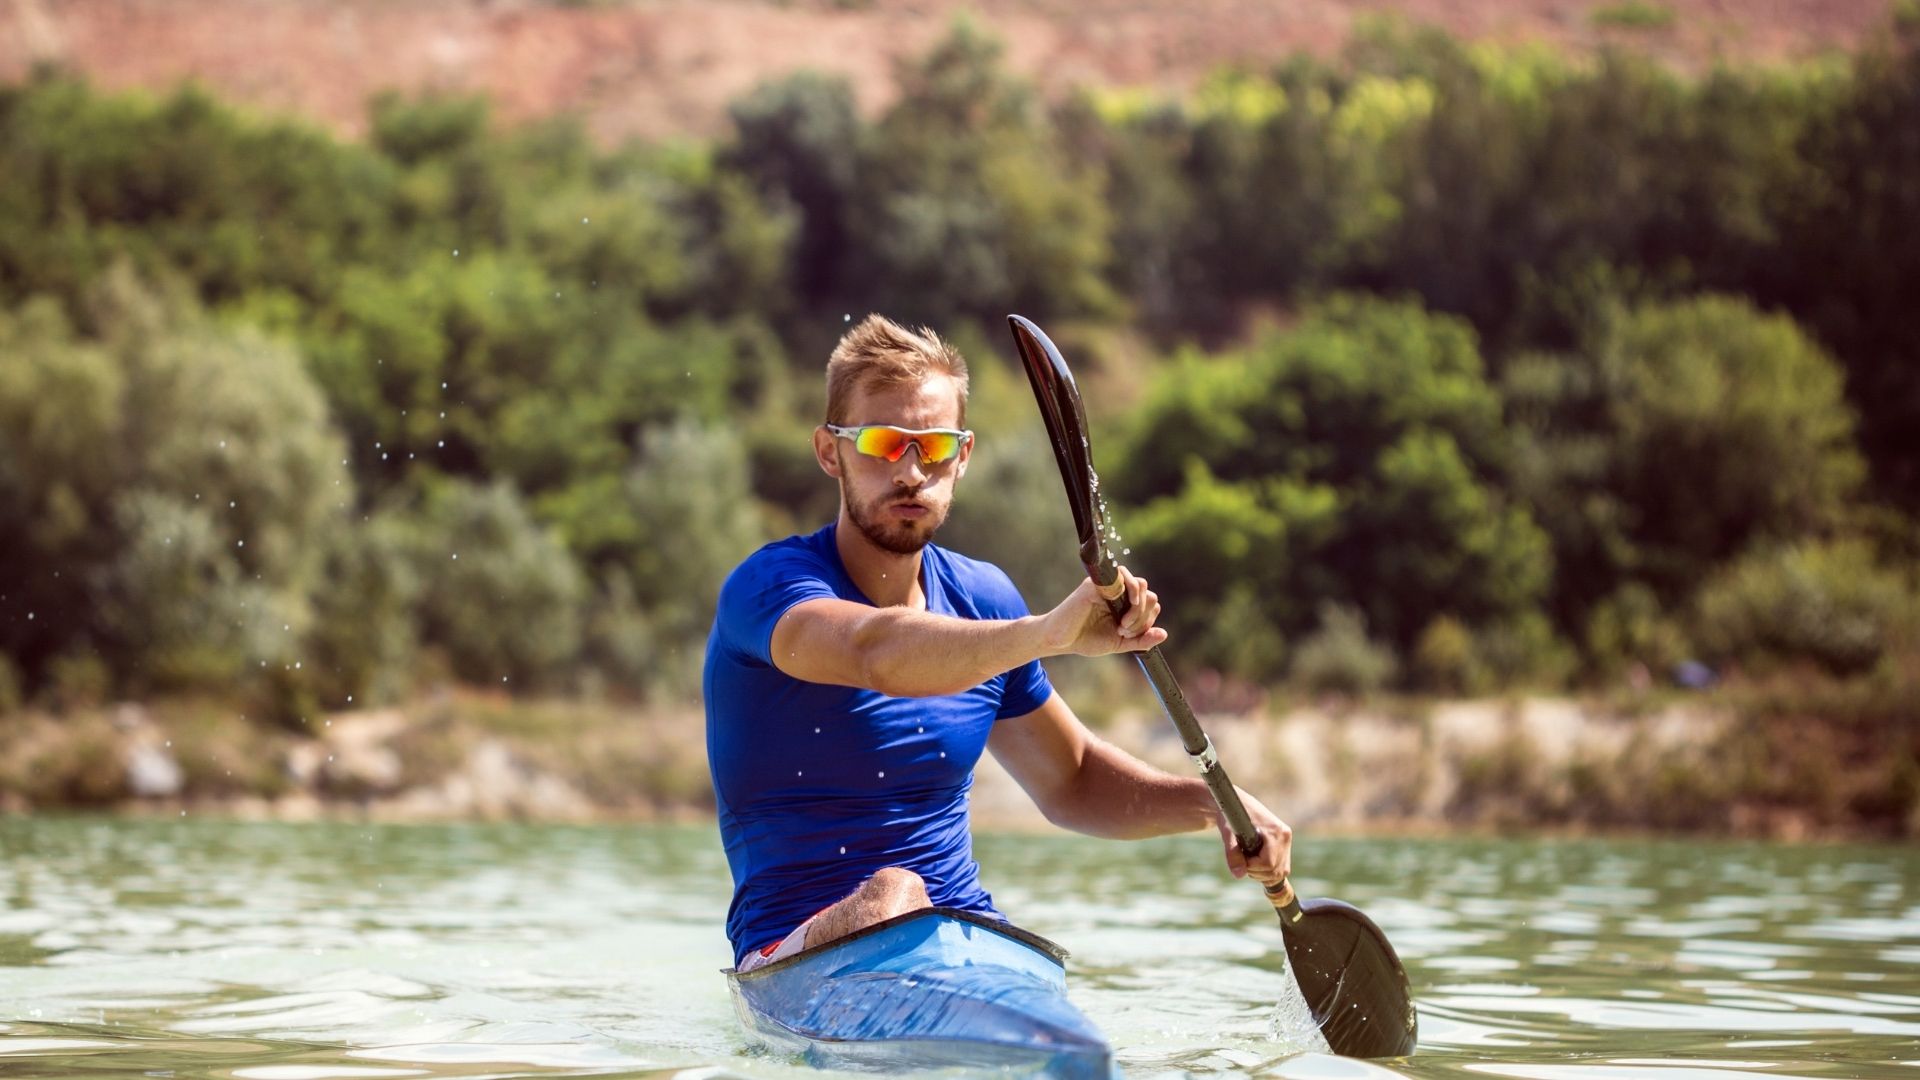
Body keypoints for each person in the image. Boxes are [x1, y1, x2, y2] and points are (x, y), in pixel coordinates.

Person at [704, 314, 1291, 972]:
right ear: (828, 450)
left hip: (969, 941)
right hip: (791, 958)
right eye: (883, 441)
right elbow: (876, 652)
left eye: (933, 447)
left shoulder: (983, 599)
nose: (910, 471)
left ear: (964, 455)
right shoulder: (769, 589)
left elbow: (1071, 780)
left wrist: (1211, 804)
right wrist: (1049, 632)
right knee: (896, 893)